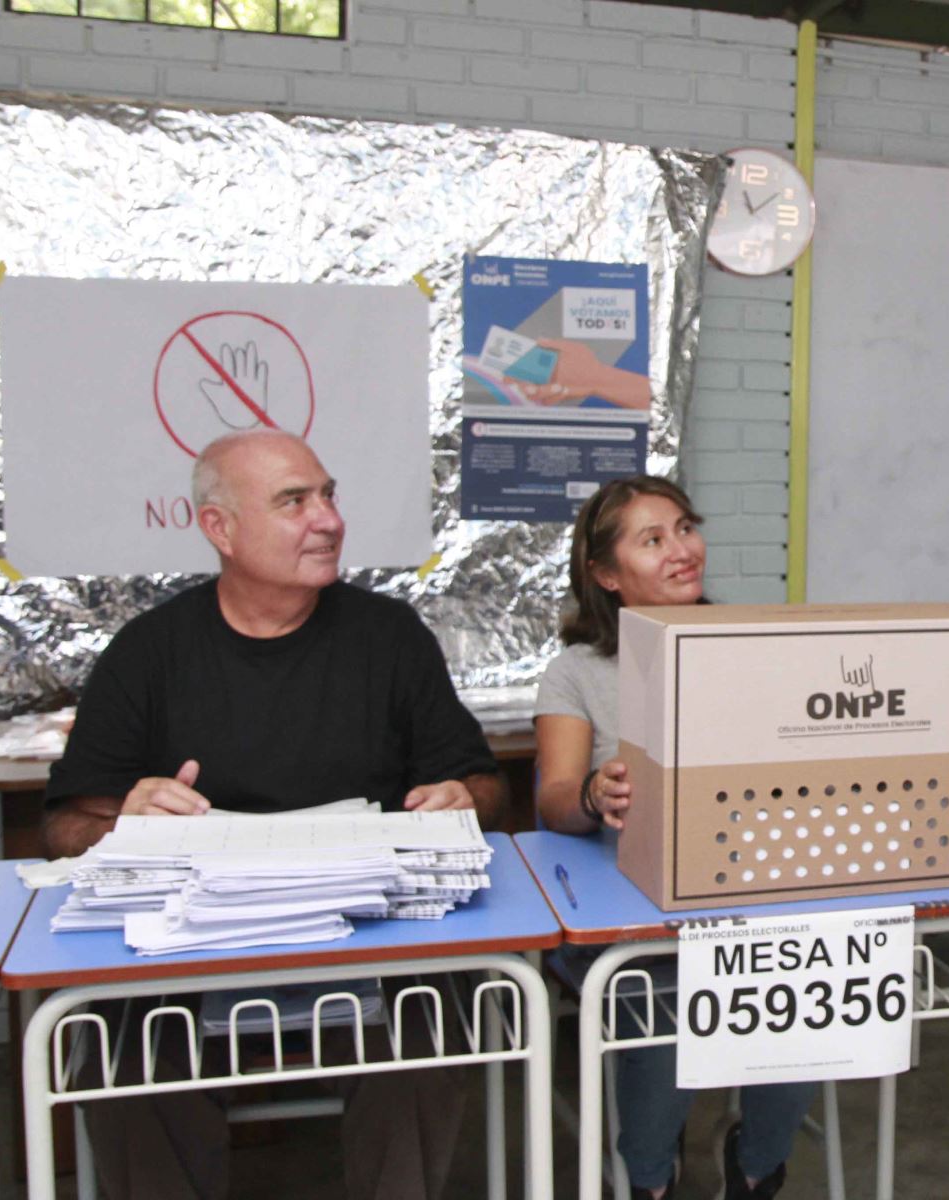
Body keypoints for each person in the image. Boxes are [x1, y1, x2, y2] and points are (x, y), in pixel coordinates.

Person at [44, 428, 507, 1200]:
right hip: (192, 950)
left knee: (429, 1040)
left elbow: (484, 787)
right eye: (294, 502)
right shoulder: (150, 652)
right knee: (125, 1061)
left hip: (368, 938)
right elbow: (64, 830)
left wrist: (463, 799)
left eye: (328, 496)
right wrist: (125, 819)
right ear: (219, 529)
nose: (328, 520)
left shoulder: (388, 636)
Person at [534, 475, 814, 1200]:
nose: (682, 550)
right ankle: (650, 1178)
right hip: (632, 910)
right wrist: (594, 795)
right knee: (667, 1006)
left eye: (686, 528)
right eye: (652, 540)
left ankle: (756, 1165)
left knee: (814, 983)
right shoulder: (576, 673)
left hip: (752, 894)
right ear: (606, 573)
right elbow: (555, 800)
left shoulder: (755, 644)